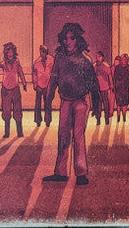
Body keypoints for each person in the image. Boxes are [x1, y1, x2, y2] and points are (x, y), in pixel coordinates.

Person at [43, 22, 100, 185]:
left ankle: (81, 173)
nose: (68, 41)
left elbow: (93, 85)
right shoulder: (60, 57)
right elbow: (54, 79)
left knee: (78, 136)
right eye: (65, 38)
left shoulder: (85, 60)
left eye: (72, 38)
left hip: (81, 101)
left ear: (78, 40)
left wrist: (97, 106)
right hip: (65, 101)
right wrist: (48, 101)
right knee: (63, 134)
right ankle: (60, 172)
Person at [0, 41, 27, 138]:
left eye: (11, 52)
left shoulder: (17, 63)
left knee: (17, 110)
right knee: (6, 111)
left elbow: (21, 73)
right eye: (8, 52)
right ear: (5, 53)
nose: (10, 54)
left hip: (15, 89)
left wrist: (24, 83)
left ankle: (20, 132)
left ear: (14, 53)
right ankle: (7, 133)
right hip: (6, 90)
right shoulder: (2, 63)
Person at [32, 44, 54, 127]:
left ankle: (48, 120)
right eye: (41, 52)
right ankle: (38, 120)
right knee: (38, 103)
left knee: (47, 103)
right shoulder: (37, 62)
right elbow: (34, 73)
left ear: (46, 52)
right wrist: (34, 83)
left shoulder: (51, 60)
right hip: (39, 85)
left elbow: (54, 72)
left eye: (43, 52)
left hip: (48, 84)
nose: (42, 54)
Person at [94, 51, 113, 125]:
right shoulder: (94, 65)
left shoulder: (106, 66)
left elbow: (109, 76)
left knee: (106, 105)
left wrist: (111, 84)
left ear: (102, 57)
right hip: (97, 89)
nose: (98, 58)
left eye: (99, 56)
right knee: (98, 105)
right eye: (97, 57)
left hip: (104, 88)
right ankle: (98, 119)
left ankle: (106, 119)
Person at [113, 53, 129, 122]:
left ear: (127, 60)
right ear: (121, 60)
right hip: (118, 88)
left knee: (125, 103)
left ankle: (124, 116)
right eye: (123, 59)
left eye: (125, 59)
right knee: (118, 103)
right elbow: (114, 78)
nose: (124, 61)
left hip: (125, 88)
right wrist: (114, 86)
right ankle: (118, 116)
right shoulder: (117, 68)